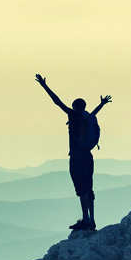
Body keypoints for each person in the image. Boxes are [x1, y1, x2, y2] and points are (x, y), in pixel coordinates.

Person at [35, 74, 112, 231]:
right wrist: (102, 103)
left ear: (74, 107)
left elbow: (57, 102)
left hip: (77, 156)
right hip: (88, 156)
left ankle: (85, 220)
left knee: (80, 187)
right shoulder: (86, 116)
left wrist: (44, 86)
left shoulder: (74, 115)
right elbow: (94, 114)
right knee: (89, 187)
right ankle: (92, 219)